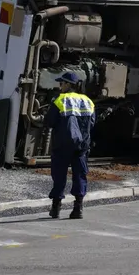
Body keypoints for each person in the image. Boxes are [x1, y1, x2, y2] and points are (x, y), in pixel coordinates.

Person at [44, 71, 96, 219]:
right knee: (79, 175)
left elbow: (50, 122)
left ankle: (56, 208)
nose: (60, 86)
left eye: (61, 83)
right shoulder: (88, 101)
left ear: (68, 84)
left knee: (59, 176)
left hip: (62, 145)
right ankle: (78, 209)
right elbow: (92, 123)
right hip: (81, 146)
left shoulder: (60, 100)